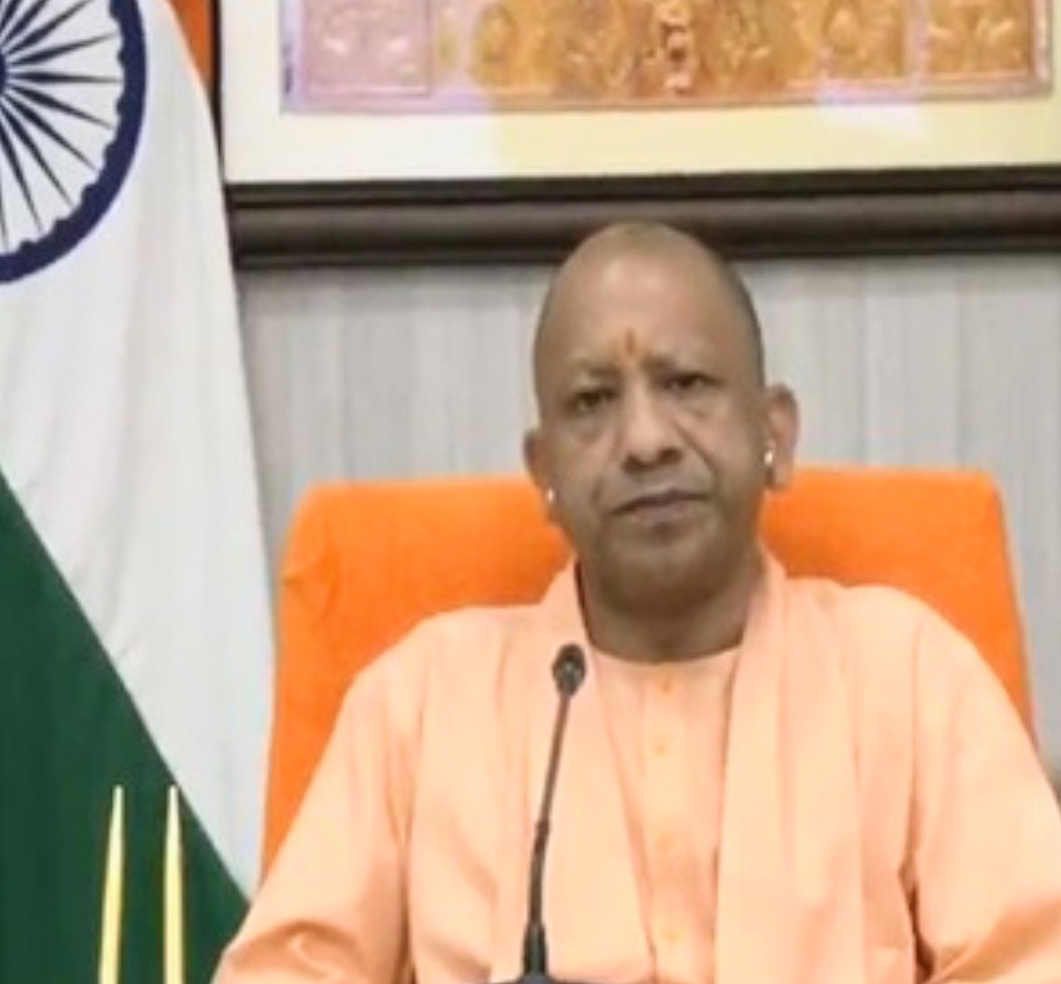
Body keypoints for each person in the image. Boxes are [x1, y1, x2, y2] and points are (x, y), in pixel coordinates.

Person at [215, 223, 1061, 984]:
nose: (645, 439)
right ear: (543, 471)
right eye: (592, 401)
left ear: (774, 432)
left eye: (686, 382)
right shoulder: (420, 701)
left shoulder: (904, 676)